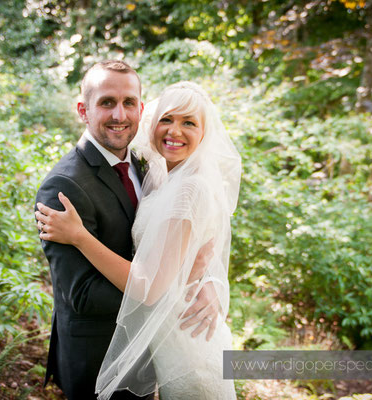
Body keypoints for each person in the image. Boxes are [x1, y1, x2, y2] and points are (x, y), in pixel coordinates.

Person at [36, 80, 241, 399]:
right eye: (167, 119)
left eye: (189, 123)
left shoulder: (191, 188)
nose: (175, 131)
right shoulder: (157, 171)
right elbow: (190, 250)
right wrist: (193, 278)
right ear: (153, 122)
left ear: (205, 133)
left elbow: (151, 286)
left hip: (189, 347)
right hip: (151, 346)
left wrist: (79, 236)